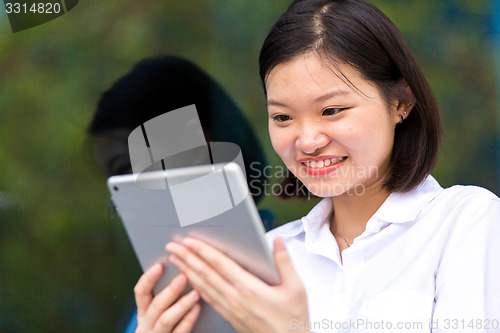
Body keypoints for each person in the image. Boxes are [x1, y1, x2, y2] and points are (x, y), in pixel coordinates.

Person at [134, 1, 500, 332]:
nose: (307, 141)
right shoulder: (267, 257)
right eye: (282, 117)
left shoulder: (465, 224)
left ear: (401, 102)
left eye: (332, 110)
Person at [88, 55, 275, 332]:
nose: (122, 200)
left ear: (204, 146)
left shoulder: (299, 262)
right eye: (115, 183)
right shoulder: (154, 303)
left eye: (129, 169)